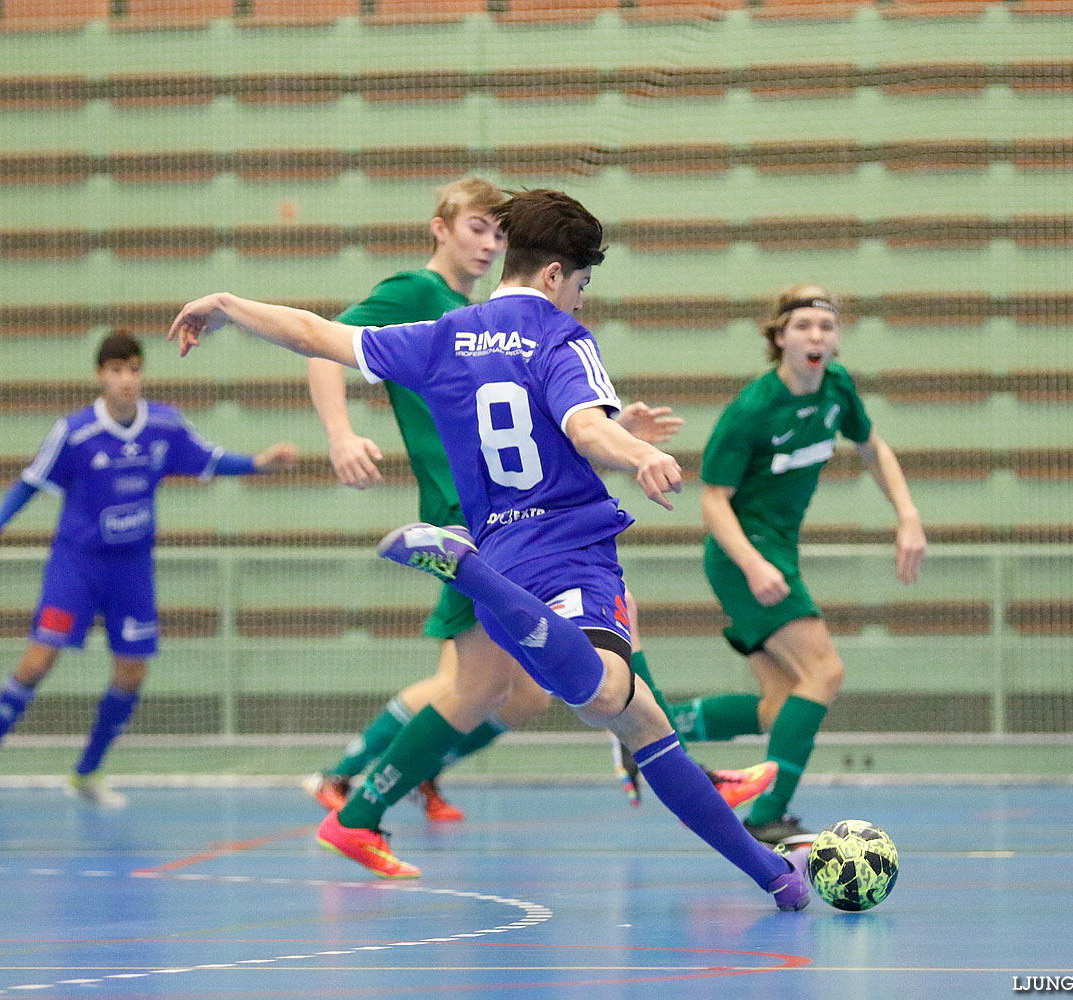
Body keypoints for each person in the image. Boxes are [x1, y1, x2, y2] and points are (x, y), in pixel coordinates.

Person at [167, 189, 814, 911]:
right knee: (605, 694)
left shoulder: (445, 333)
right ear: (552, 275)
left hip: (502, 556)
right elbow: (581, 426)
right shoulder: (562, 338)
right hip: (565, 554)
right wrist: (634, 452)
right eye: (581, 284)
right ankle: (458, 569)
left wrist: (226, 302)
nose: (580, 300)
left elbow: (317, 335)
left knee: (639, 724)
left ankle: (773, 875)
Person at [302, 178, 770, 821]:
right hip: (474, 516)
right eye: (476, 227)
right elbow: (325, 344)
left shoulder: (488, 317)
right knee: (500, 675)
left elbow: (538, 419)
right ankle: (356, 793)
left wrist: (611, 430)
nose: (489, 242)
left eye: (499, 231)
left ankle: (381, 783)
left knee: (514, 695)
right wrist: (341, 434)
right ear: (439, 227)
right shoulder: (420, 298)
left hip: (504, 509)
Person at [0, 330, 298, 806]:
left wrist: (259, 462)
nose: (125, 379)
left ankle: (86, 772)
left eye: (133, 369)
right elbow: (29, 483)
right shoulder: (75, 432)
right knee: (37, 660)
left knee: (132, 672)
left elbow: (210, 460)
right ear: (100, 376)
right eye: (115, 370)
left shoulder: (165, 427)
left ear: (142, 373)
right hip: (76, 567)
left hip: (131, 570)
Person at [694, 284, 927, 843]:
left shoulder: (837, 389)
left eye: (826, 327)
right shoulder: (753, 408)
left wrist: (908, 515)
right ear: (780, 338)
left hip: (778, 551)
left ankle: (655, 734)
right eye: (802, 327)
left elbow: (872, 448)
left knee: (781, 706)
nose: (816, 336)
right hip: (743, 555)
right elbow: (711, 499)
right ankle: (766, 816)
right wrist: (752, 564)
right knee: (824, 672)